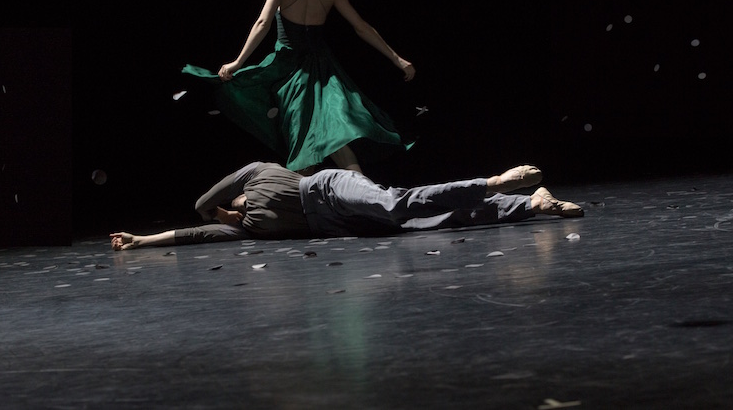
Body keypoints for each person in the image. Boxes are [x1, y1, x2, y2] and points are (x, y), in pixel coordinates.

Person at [182, 0, 415, 175]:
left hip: (292, 71)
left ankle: (307, 203)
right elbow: (362, 27)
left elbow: (263, 23)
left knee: (311, 143)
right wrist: (397, 58)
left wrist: (237, 62)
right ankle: (362, 197)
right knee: (334, 137)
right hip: (325, 72)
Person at [110, 162, 584, 251]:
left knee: (397, 205)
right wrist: (140, 240)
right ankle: (528, 205)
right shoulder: (251, 230)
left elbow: (199, 207)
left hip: (330, 189)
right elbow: (193, 234)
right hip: (338, 228)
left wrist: (218, 210)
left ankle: (493, 181)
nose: (230, 215)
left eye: (228, 210)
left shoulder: (256, 172)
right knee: (432, 222)